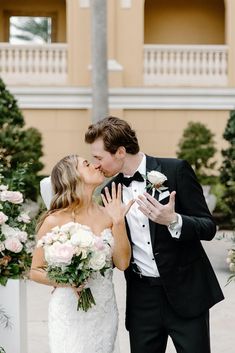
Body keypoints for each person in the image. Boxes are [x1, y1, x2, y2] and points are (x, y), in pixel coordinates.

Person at [85, 116, 224, 353]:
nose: (96, 164)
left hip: (186, 294)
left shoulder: (175, 170)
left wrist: (173, 220)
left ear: (120, 152)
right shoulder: (109, 191)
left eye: (99, 157)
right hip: (142, 300)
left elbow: (208, 227)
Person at [30, 154, 134, 353]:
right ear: (73, 177)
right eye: (86, 164)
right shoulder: (54, 220)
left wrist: (119, 221)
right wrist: (67, 281)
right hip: (69, 312)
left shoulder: (108, 214)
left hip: (103, 310)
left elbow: (122, 263)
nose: (95, 165)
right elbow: (35, 271)